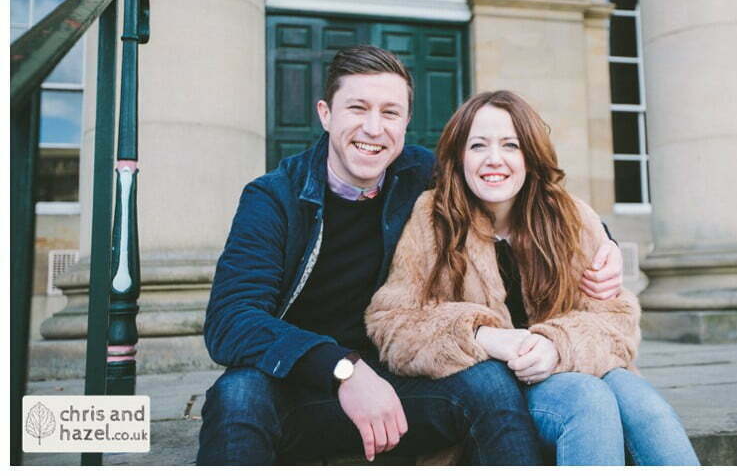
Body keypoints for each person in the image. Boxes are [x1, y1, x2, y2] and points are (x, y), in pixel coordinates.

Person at [197, 46, 624, 465]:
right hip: (296, 384)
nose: (373, 128)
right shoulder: (274, 198)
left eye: (389, 113)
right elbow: (231, 321)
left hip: (398, 378)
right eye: (357, 108)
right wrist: (342, 368)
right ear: (326, 114)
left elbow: (519, 191)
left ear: (405, 123)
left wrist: (605, 244)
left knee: (489, 383)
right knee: (237, 394)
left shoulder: (420, 174)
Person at [366, 90, 700, 466]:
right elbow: (392, 325)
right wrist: (483, 337)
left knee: (645, 405)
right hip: (495, 400)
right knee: (586, 399)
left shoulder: (570, 217)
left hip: (565, 368)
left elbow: (619, 323)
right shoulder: (434, 219)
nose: (495, 160)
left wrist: (556, 345)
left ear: (530, 155)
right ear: (460, 157)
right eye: (478, 146)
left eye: (511, 145)